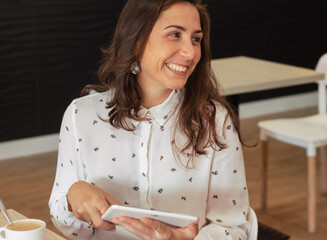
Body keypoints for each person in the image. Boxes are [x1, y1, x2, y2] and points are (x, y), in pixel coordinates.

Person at [49, 0, 250, 239]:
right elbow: (70, 229)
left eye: (196, 39)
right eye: (175, 34)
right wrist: (73, 198)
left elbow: (234, 227)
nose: (190, 52)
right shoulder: (81, 115)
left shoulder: (215, 120)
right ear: (136, 41)